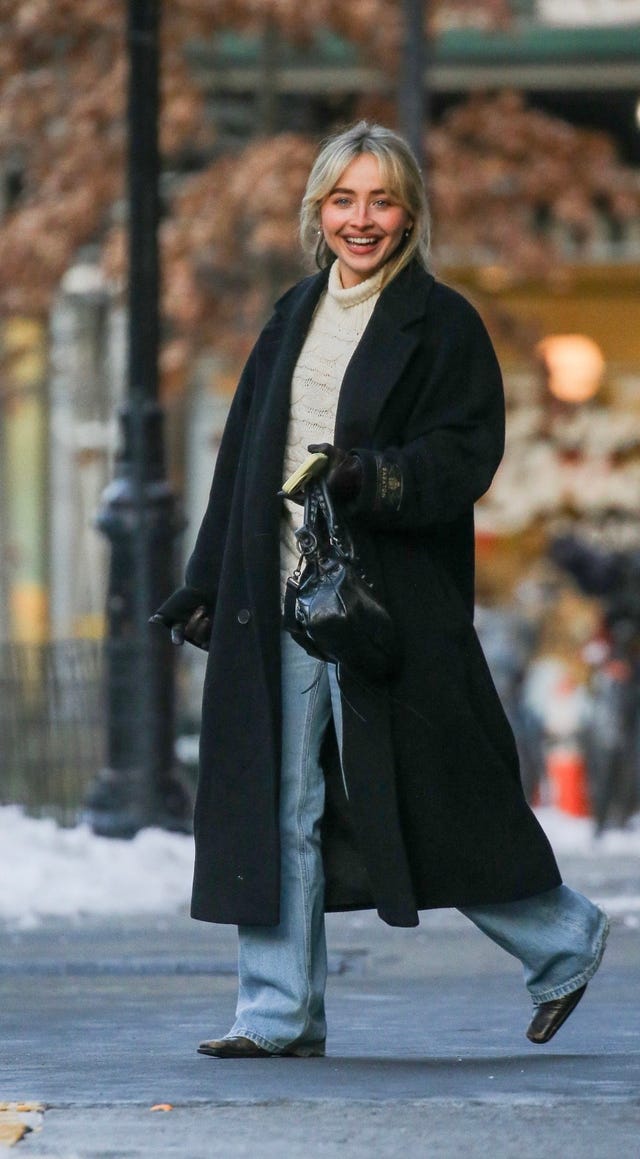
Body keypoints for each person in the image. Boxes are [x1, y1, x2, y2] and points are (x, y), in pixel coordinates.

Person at [153, 121, 608, 1059]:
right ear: (318, 211)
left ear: (409, 214)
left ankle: (565, 934)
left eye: (382, 200)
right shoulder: (291, 314)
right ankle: (276, 1012)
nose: (361, 219)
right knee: (280, 801)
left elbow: (466, 455)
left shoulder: (442, 324)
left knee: (427, 793)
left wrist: (373, 476)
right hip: (280, 600)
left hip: (381, 606)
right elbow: (245, 460)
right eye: (344, 199)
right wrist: (204, 582)